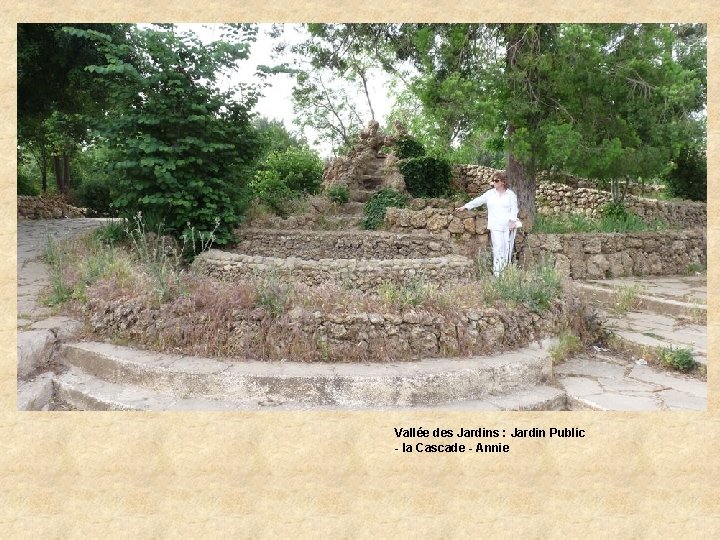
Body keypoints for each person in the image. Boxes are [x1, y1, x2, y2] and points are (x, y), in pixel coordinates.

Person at [454, 171, 521, 276]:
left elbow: (514, 209)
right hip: (495, 225)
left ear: (503, 182)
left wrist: (512, 221)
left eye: (496, 180)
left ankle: (505, 273)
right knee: (498, 248)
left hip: (507, 226)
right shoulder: (490, 194)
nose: (494, 182)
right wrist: (466, 206)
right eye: (493, 180)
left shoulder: (511, 195)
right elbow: (479, 200)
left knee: (507, 249)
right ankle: (498, 274)